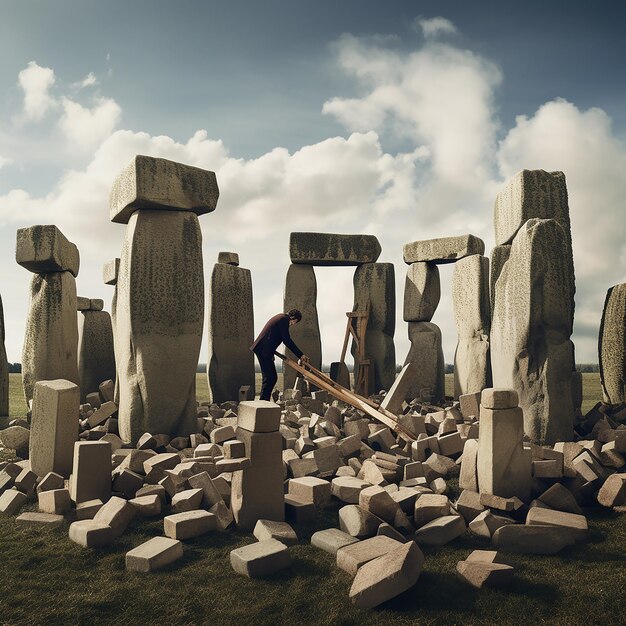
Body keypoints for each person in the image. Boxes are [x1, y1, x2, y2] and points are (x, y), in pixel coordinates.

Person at [250, 309, 309, 401]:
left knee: (270, 377)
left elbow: (273, 336)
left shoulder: (280, 317)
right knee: (270, 377)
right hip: (263, 349)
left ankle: (263, 402)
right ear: (293, 318)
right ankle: (263, 403)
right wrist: (300, 355)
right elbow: (286, 340)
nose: (293, 324)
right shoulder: (284, 319)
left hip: (264, 349)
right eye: (294, 322)